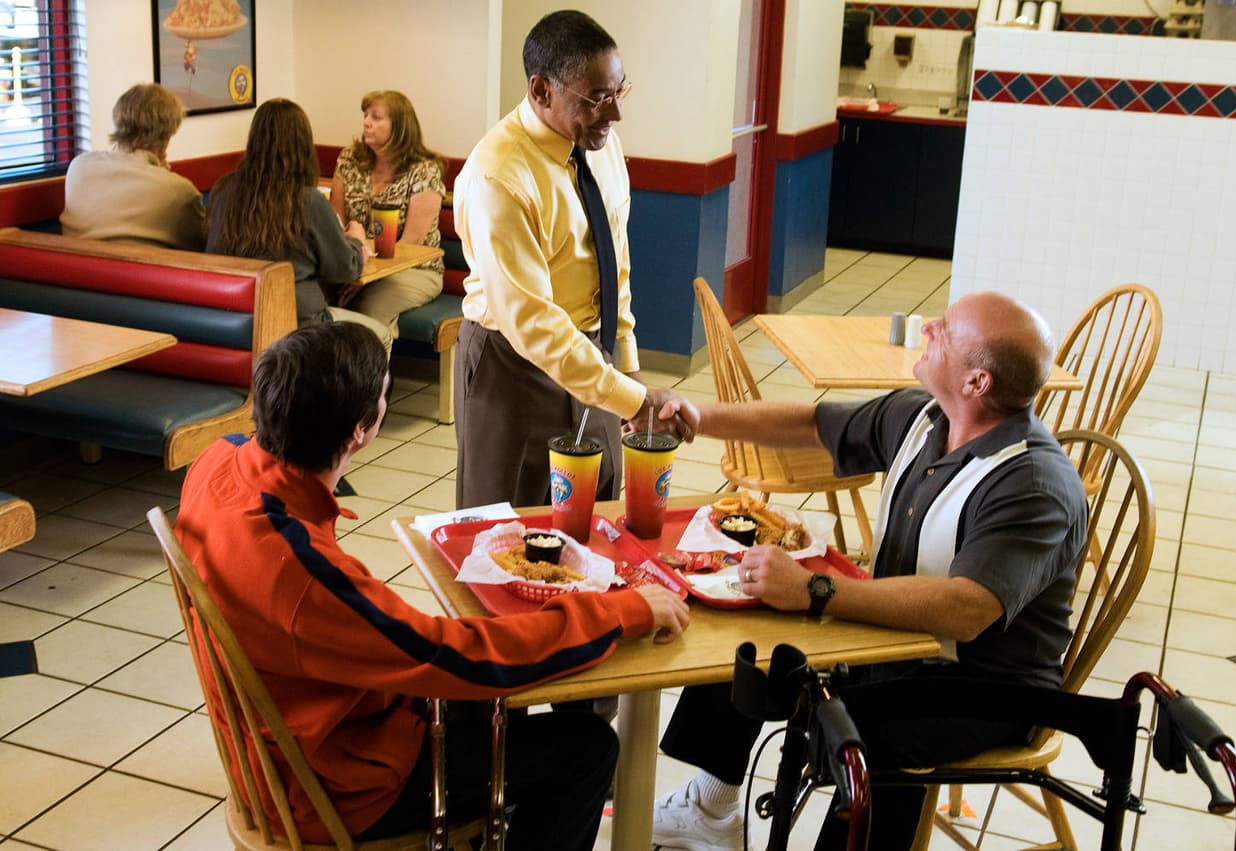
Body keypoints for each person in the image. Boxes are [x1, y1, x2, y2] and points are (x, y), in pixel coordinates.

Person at [174, 321, 690, 849]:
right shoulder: (302, 574)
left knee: (481, 695)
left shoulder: (217, 462)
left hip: (299, 726)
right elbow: (456, 656)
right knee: (587, 746)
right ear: (362, 429)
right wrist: (621, 612)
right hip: (340, 785)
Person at [650, 292, 1089, 851]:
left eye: (947, 331)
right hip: (900, 645)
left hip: (984, 688)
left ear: (977, 382)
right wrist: (700, 417)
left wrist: (814, 590)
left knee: (860, 731)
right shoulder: (928, 416)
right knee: (745, 632)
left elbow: (966, 609)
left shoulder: (1032, 483)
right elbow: (812, 423)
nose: (928, 326)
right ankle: (711, 809)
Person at [452, 9, 691, 511]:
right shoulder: (497, 178)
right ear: (541, 91)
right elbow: (534, 324)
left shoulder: (602, 146)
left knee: (597, 507)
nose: (615, 114)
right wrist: (629, 398)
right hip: (510, 363)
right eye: (597, 98)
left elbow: (616, 264)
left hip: (590, 353)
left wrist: (628, 372)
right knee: (508, 523)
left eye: (619, 92)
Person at [205, 98, 392, 349]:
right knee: (380, 336)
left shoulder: (224, 190)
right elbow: (345, 268)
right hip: (299, 322)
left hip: (234, 316)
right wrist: (357, 240)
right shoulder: (307, 201)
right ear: (302, 145)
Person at [329, 90, 446, 337]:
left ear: (400, 126)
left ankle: (376, 375)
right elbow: (335, 224)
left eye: (376, 117)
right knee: (315, 299)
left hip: (415, 271)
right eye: (365, 115)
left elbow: (409, 245)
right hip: (355, 267)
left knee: (368, 308)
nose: (366, 122)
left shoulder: (424, 171)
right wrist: (351, 272)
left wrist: (364, 279)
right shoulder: (349, 159)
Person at [60, 83, 204, 249]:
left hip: (74, 272)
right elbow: (204, 247)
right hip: (143, 274)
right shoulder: (179, 190)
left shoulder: (79, 167)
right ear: (167, 137)